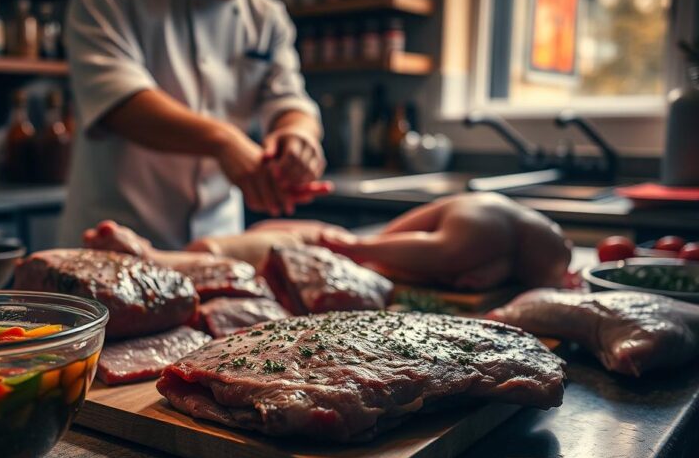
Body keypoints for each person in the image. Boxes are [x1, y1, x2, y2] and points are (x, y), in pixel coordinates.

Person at [57, 0, 328, 249]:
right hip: (114, 239)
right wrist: (223, 141)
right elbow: (117, 100)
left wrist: (299, 136)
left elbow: (291, 101)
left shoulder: (267, 17)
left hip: (218, 247)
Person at [84, 192, 574, 290]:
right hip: (382, 257)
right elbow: (416, 250)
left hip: (399, 255)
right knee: (298, 252)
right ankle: (152, 258)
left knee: (300, 248)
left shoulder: (487, 213)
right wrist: (356, 251)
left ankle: (156, 258)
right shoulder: (494, 225)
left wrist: (357, 249)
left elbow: (383, 244)